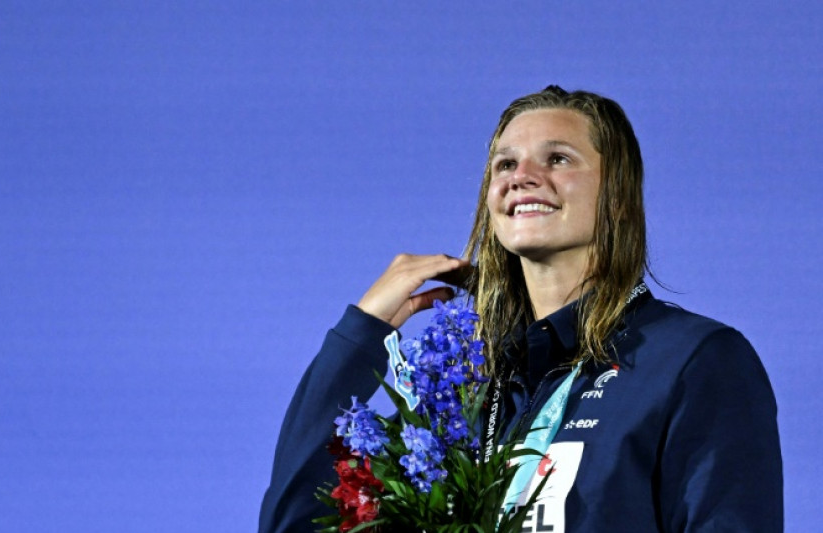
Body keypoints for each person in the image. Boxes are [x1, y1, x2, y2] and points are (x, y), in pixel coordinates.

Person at [258, 86, 783, 532]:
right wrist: (361, 334)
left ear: (618, 195)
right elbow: (294, 522)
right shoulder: (468, 399)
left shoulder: (694, 361)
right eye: (505, 163)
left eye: (558, 158)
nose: (521, 176)